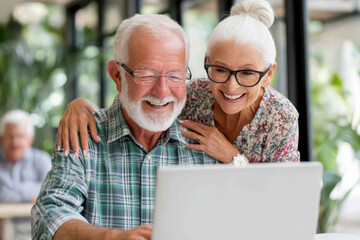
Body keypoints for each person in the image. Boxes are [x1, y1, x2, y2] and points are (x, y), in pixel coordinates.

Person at [31, 13, 216, 240]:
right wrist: (112, 237)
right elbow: (49, 216)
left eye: (175, 76)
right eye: (146, 74)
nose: (163, 91)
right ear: (116, 75)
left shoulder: (205, 145)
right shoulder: (83, 134)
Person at [57, 0, 300, 164]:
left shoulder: (281, 118)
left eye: (247, 73)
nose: (231, 86)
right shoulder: (192, 94)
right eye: (220, 69)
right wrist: (80, 105)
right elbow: (130, 106)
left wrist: (232, 157)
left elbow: (281, 197)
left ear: (268, 75)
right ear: (207, 62)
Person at [0, 109, 51, 240]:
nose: (15, 142)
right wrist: (31, 193)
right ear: (1, 138)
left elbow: (50, 192)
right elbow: (42, 192)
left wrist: (6, 191)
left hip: (38, 227)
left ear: (30, 139)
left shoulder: (42, 159)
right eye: (10, 137)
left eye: (20, 136)